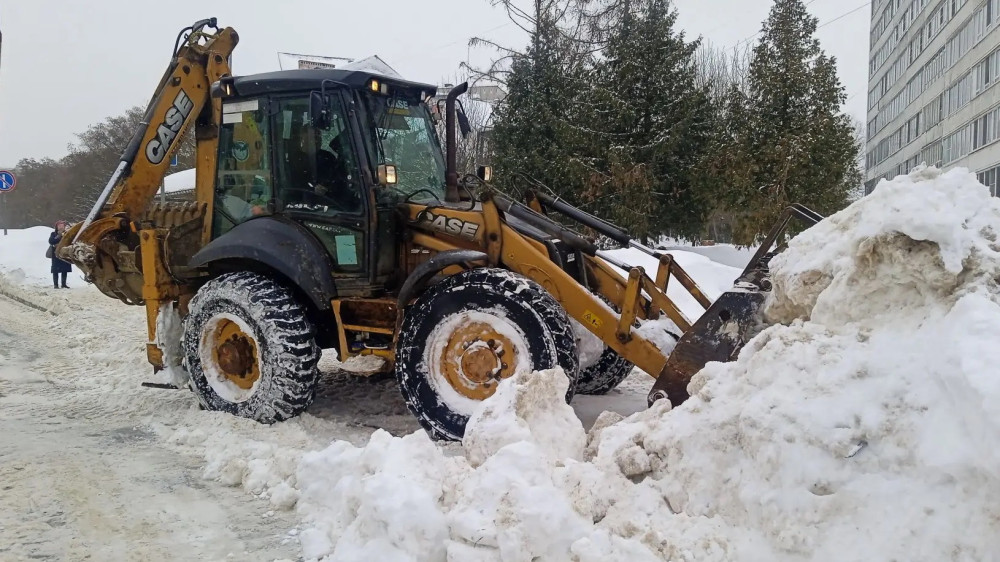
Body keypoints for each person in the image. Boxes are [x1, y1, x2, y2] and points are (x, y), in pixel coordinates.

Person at [49, 220, 72, 289]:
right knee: (55, 270)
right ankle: (56, 285)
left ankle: (63, 284)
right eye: (59, 226)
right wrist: (59, 236)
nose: (61, 227)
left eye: (62, 225)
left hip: (64, 253)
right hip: (56, 254)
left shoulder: (67, 233)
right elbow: (51, 241)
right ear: (56, 227)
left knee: (64, 269)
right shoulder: (53, 234)